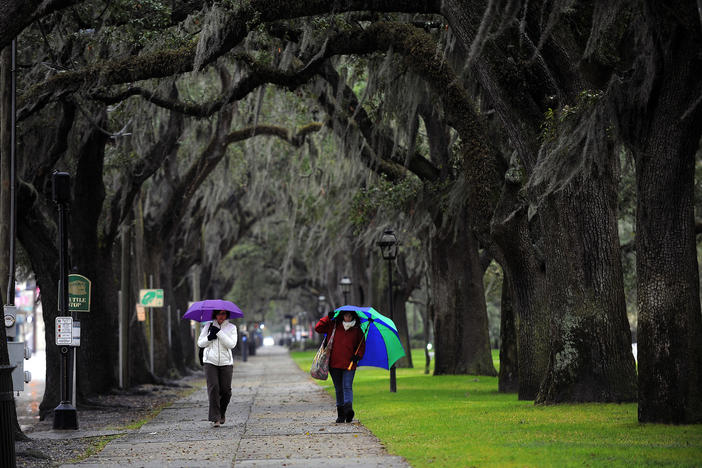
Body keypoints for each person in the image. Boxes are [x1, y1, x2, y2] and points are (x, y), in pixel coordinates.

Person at [315, 309, 365, 423]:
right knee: (338, 388)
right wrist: (327, 318)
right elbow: (318, 328)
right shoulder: (333, 325)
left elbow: (362, 345)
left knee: (347, 386)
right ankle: (341, 414)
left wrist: (358, 356)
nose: (348, 317)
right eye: (346, 315)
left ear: (354, 316)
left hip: (350, 364)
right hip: (334, 363)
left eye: (350, 315)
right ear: (342, 315)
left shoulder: (357, 330)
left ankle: (348, 410)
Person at [198, 310, 237, 427]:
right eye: (219, 313)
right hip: (210, 361)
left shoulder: (231, 328)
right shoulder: (208, 326)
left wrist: (219, 333)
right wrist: (209, 337)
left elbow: (231, 344)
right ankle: (215, 418)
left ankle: (221, 413)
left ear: (227, 315)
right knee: (214, 388)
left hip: (226, 362)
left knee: (226, 391)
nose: (221, 316)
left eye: (224, 314)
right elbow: (200, 343)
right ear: (215, 315)